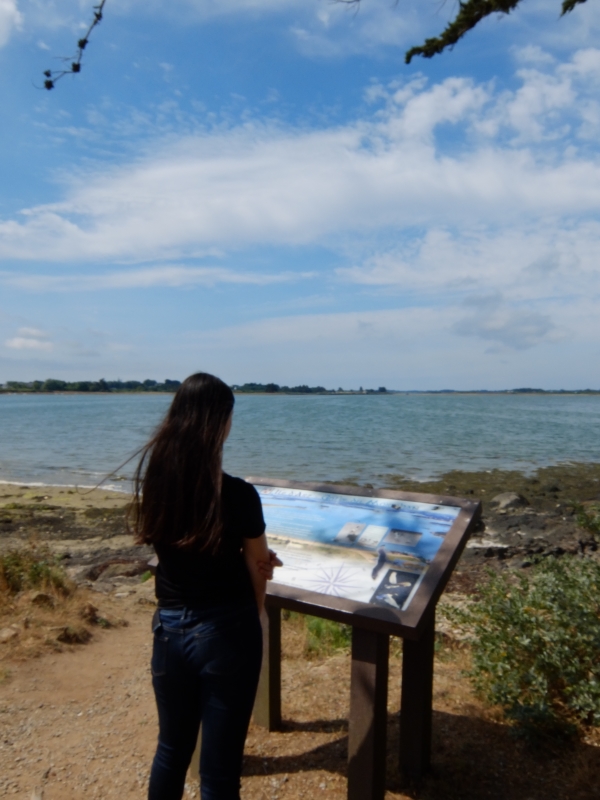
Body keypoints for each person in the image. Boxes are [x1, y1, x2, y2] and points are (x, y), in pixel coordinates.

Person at [132, 372, 281, 800]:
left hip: (169, 630)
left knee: (171, 750)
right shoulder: (239, 494)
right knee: (218, 771)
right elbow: (258, 564)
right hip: (227, 633)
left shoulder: (156, 484)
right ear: (220, 423)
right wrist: (256, 613)